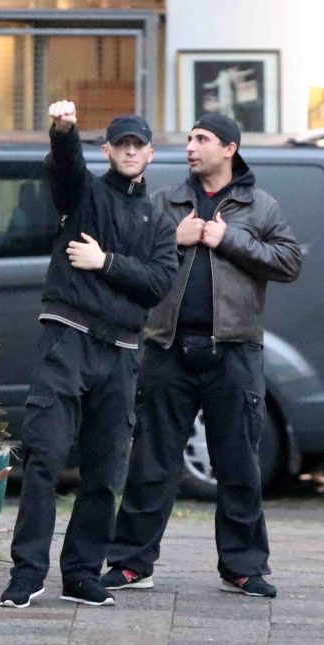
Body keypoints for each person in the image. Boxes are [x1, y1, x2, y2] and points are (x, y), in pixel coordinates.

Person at [103, 112, 302, 599]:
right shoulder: (166, 202)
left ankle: (243, 567)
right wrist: (175, 237)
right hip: (167, 347)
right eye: (190, 138)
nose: (190, 147)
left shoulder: (259, 205)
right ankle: (131, 563)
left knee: (238, 464)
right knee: (151, 462)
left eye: (202, 138)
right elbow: (126, 255)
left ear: (229, 148)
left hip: (233, 350)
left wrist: (227, 238)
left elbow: (291, 261)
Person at [0, 101, 178, 609]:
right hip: (68, 339)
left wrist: (105, 263)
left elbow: (160, 283)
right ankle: (26, 574)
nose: (129, 151)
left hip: (122, 353)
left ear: (148, 154)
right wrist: (63, 131)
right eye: (120, 144)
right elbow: (64, 170)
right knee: (44, 457)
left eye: (137, 145)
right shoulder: (84, 195)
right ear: (107, 150)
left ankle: (81, 574)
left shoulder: (160, 220)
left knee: (105, 472)